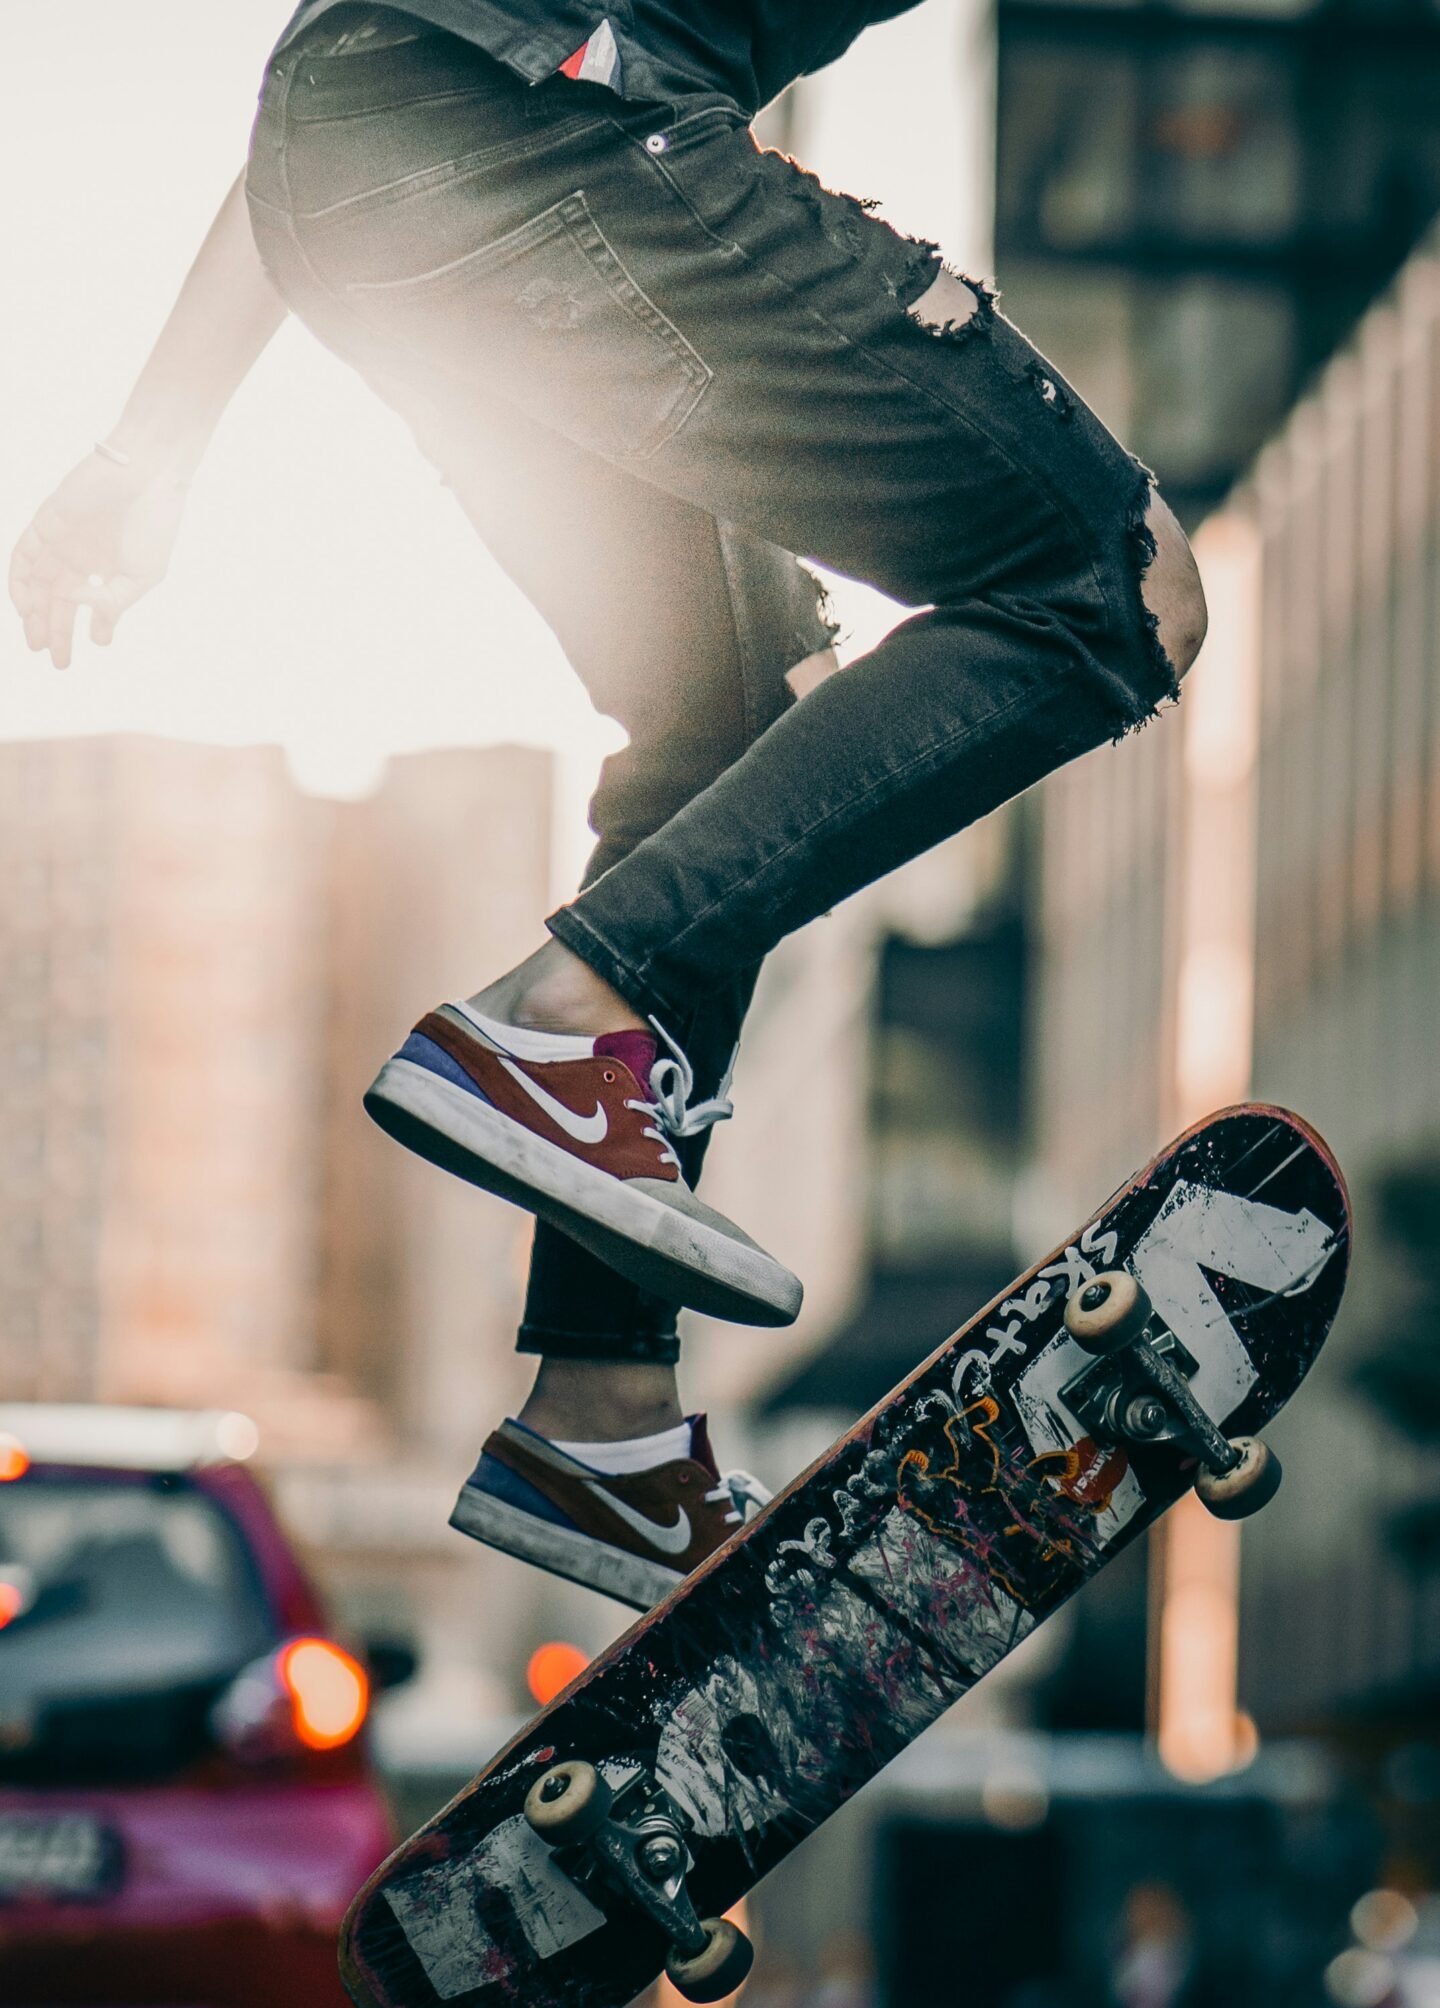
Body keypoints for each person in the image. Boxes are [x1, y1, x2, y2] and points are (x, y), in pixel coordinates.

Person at [9, 4, 1206, 1613]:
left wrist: (148, 445)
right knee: (1111, 580)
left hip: (380, 186)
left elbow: (332, 79)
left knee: (722, 710)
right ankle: (571, 1015)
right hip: (555, 142)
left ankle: (601, 1413)